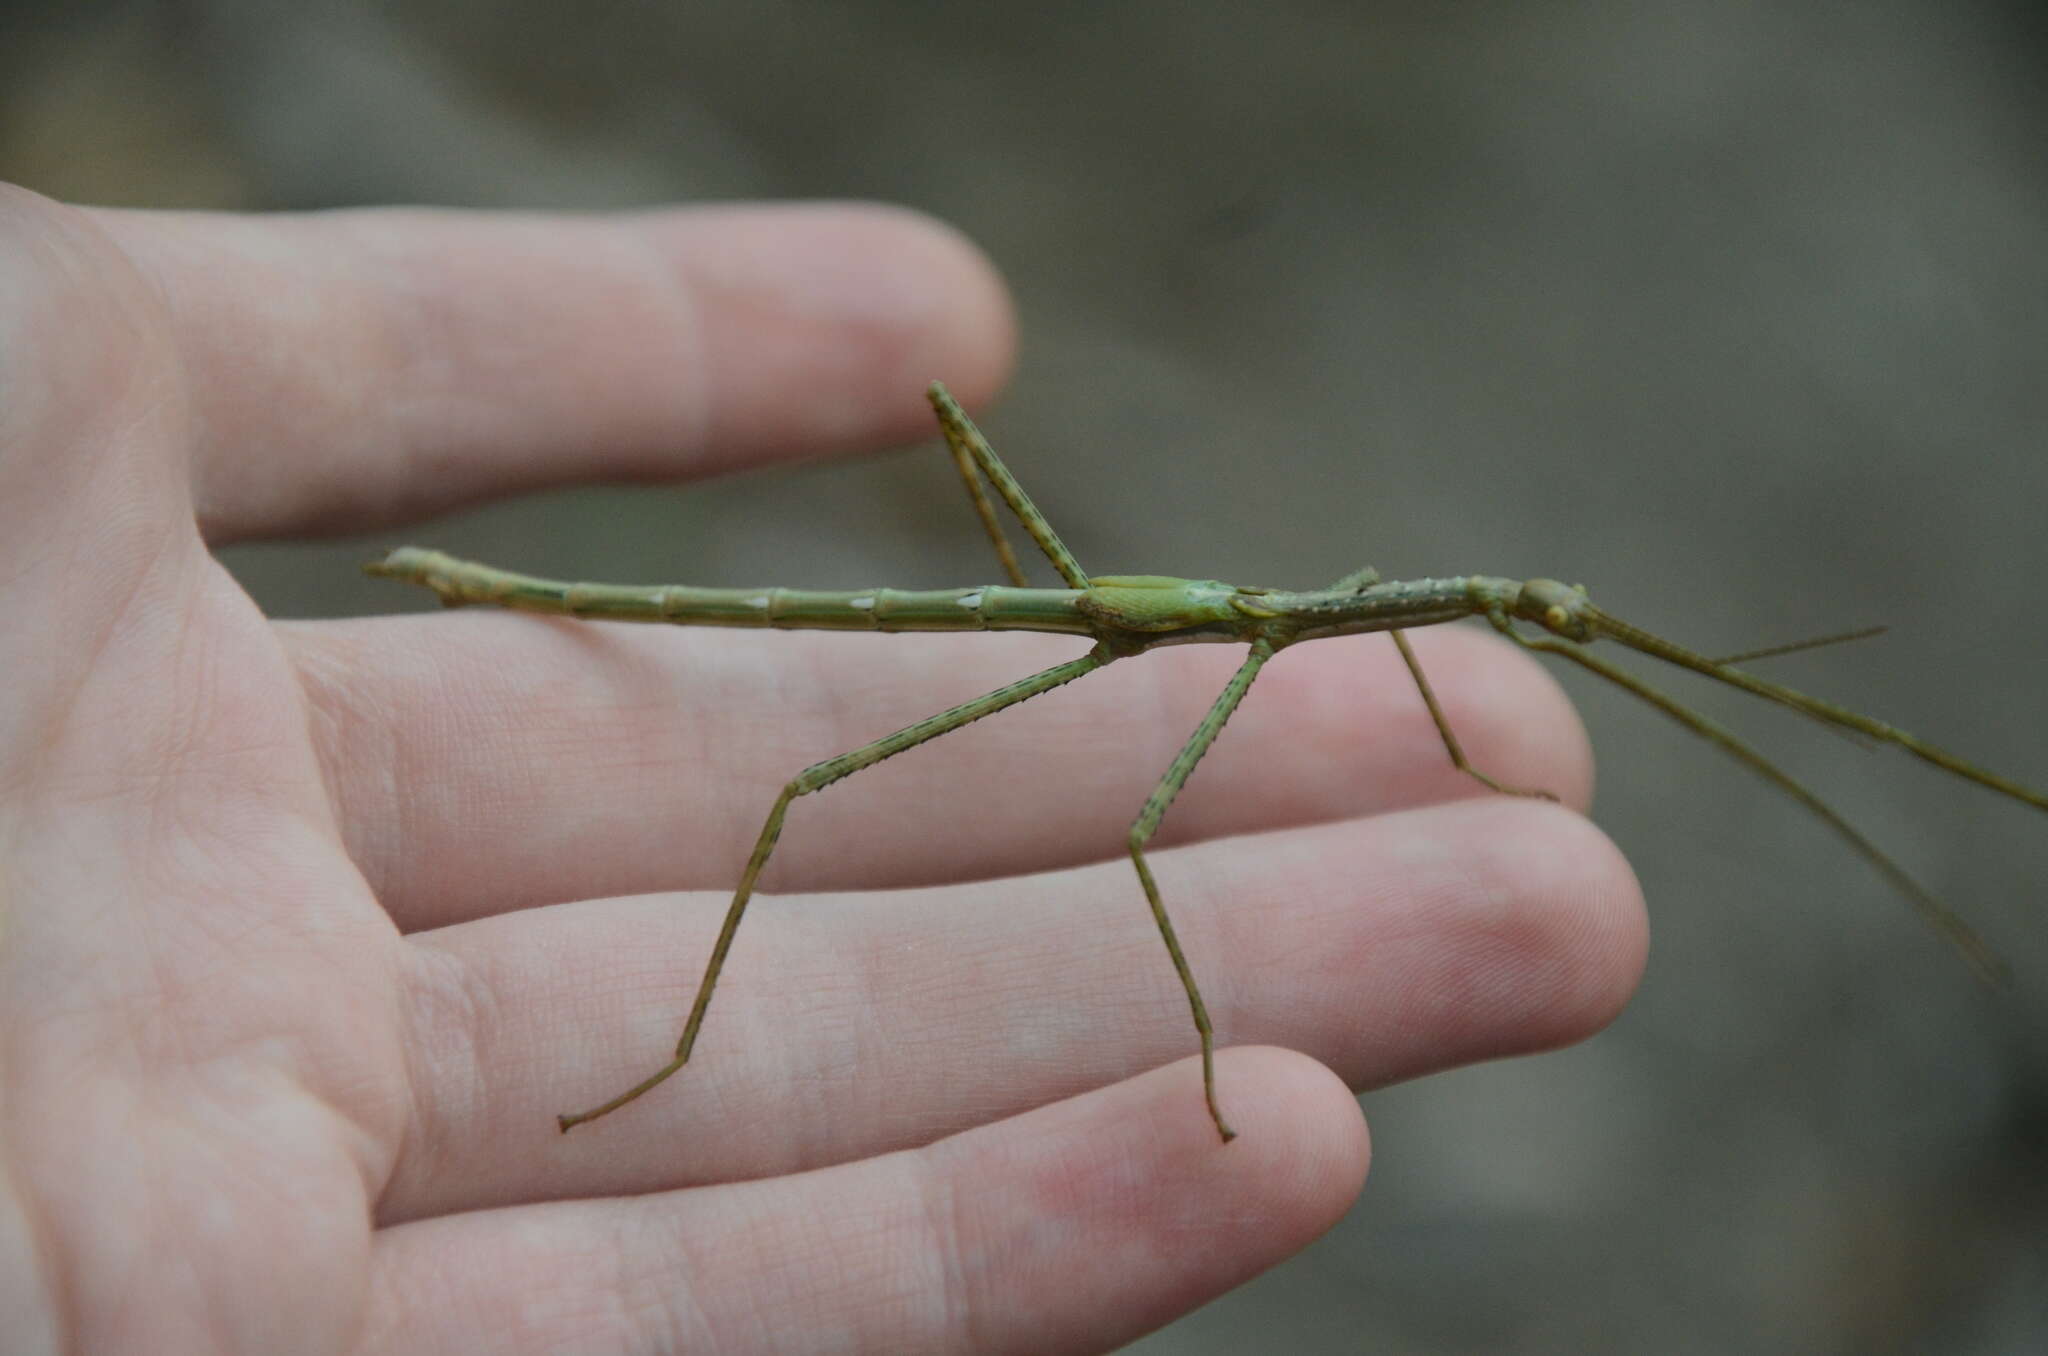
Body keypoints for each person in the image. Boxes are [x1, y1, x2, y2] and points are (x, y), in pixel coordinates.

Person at [0, 182, 1644, 1354]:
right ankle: (667, 1056)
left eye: (1528, 616)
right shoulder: (1303, 624)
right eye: (1527, 610)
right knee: (834, 792)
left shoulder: (1340, 617)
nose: (1530, 617)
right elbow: (1150, 836)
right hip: (1054, 613)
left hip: (1105, 616)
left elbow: (1383, 620)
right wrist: (1209, 1048)